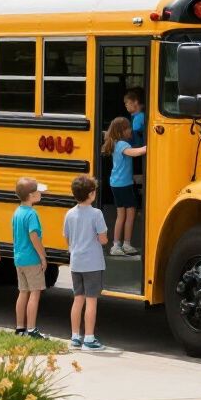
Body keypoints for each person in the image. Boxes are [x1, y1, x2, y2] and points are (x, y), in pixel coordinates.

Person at [63, 174, 108, 350]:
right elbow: (103, 239)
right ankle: (89, 339)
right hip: (93, 264)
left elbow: (67, 238)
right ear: (91, 194)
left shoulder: (70, 214)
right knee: (91, 301)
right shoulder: (96, 214)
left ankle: (75, 337)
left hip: (76, 262)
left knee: (78, 299)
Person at [101, 117, 147, 256]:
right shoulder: (122, 144)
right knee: (130, 214)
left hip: (117, 183)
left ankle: (117, 245)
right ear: (122, 131)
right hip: (123, 185)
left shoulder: (116, 143)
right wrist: (150, 145)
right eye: (128, 128)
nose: (131, 130)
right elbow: (135, 153)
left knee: (121, 215)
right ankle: (124, 244)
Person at [12, 176, 48, 339]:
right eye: (39, 192)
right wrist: (42, 256)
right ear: (32, 196)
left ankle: (20, 328)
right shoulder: (32, 214)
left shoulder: (17, 212)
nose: (41, 194)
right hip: (32, 259)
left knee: (23, 292)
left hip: (19, 258)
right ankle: (32, 329)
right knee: (35, 293)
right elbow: (34, 236)